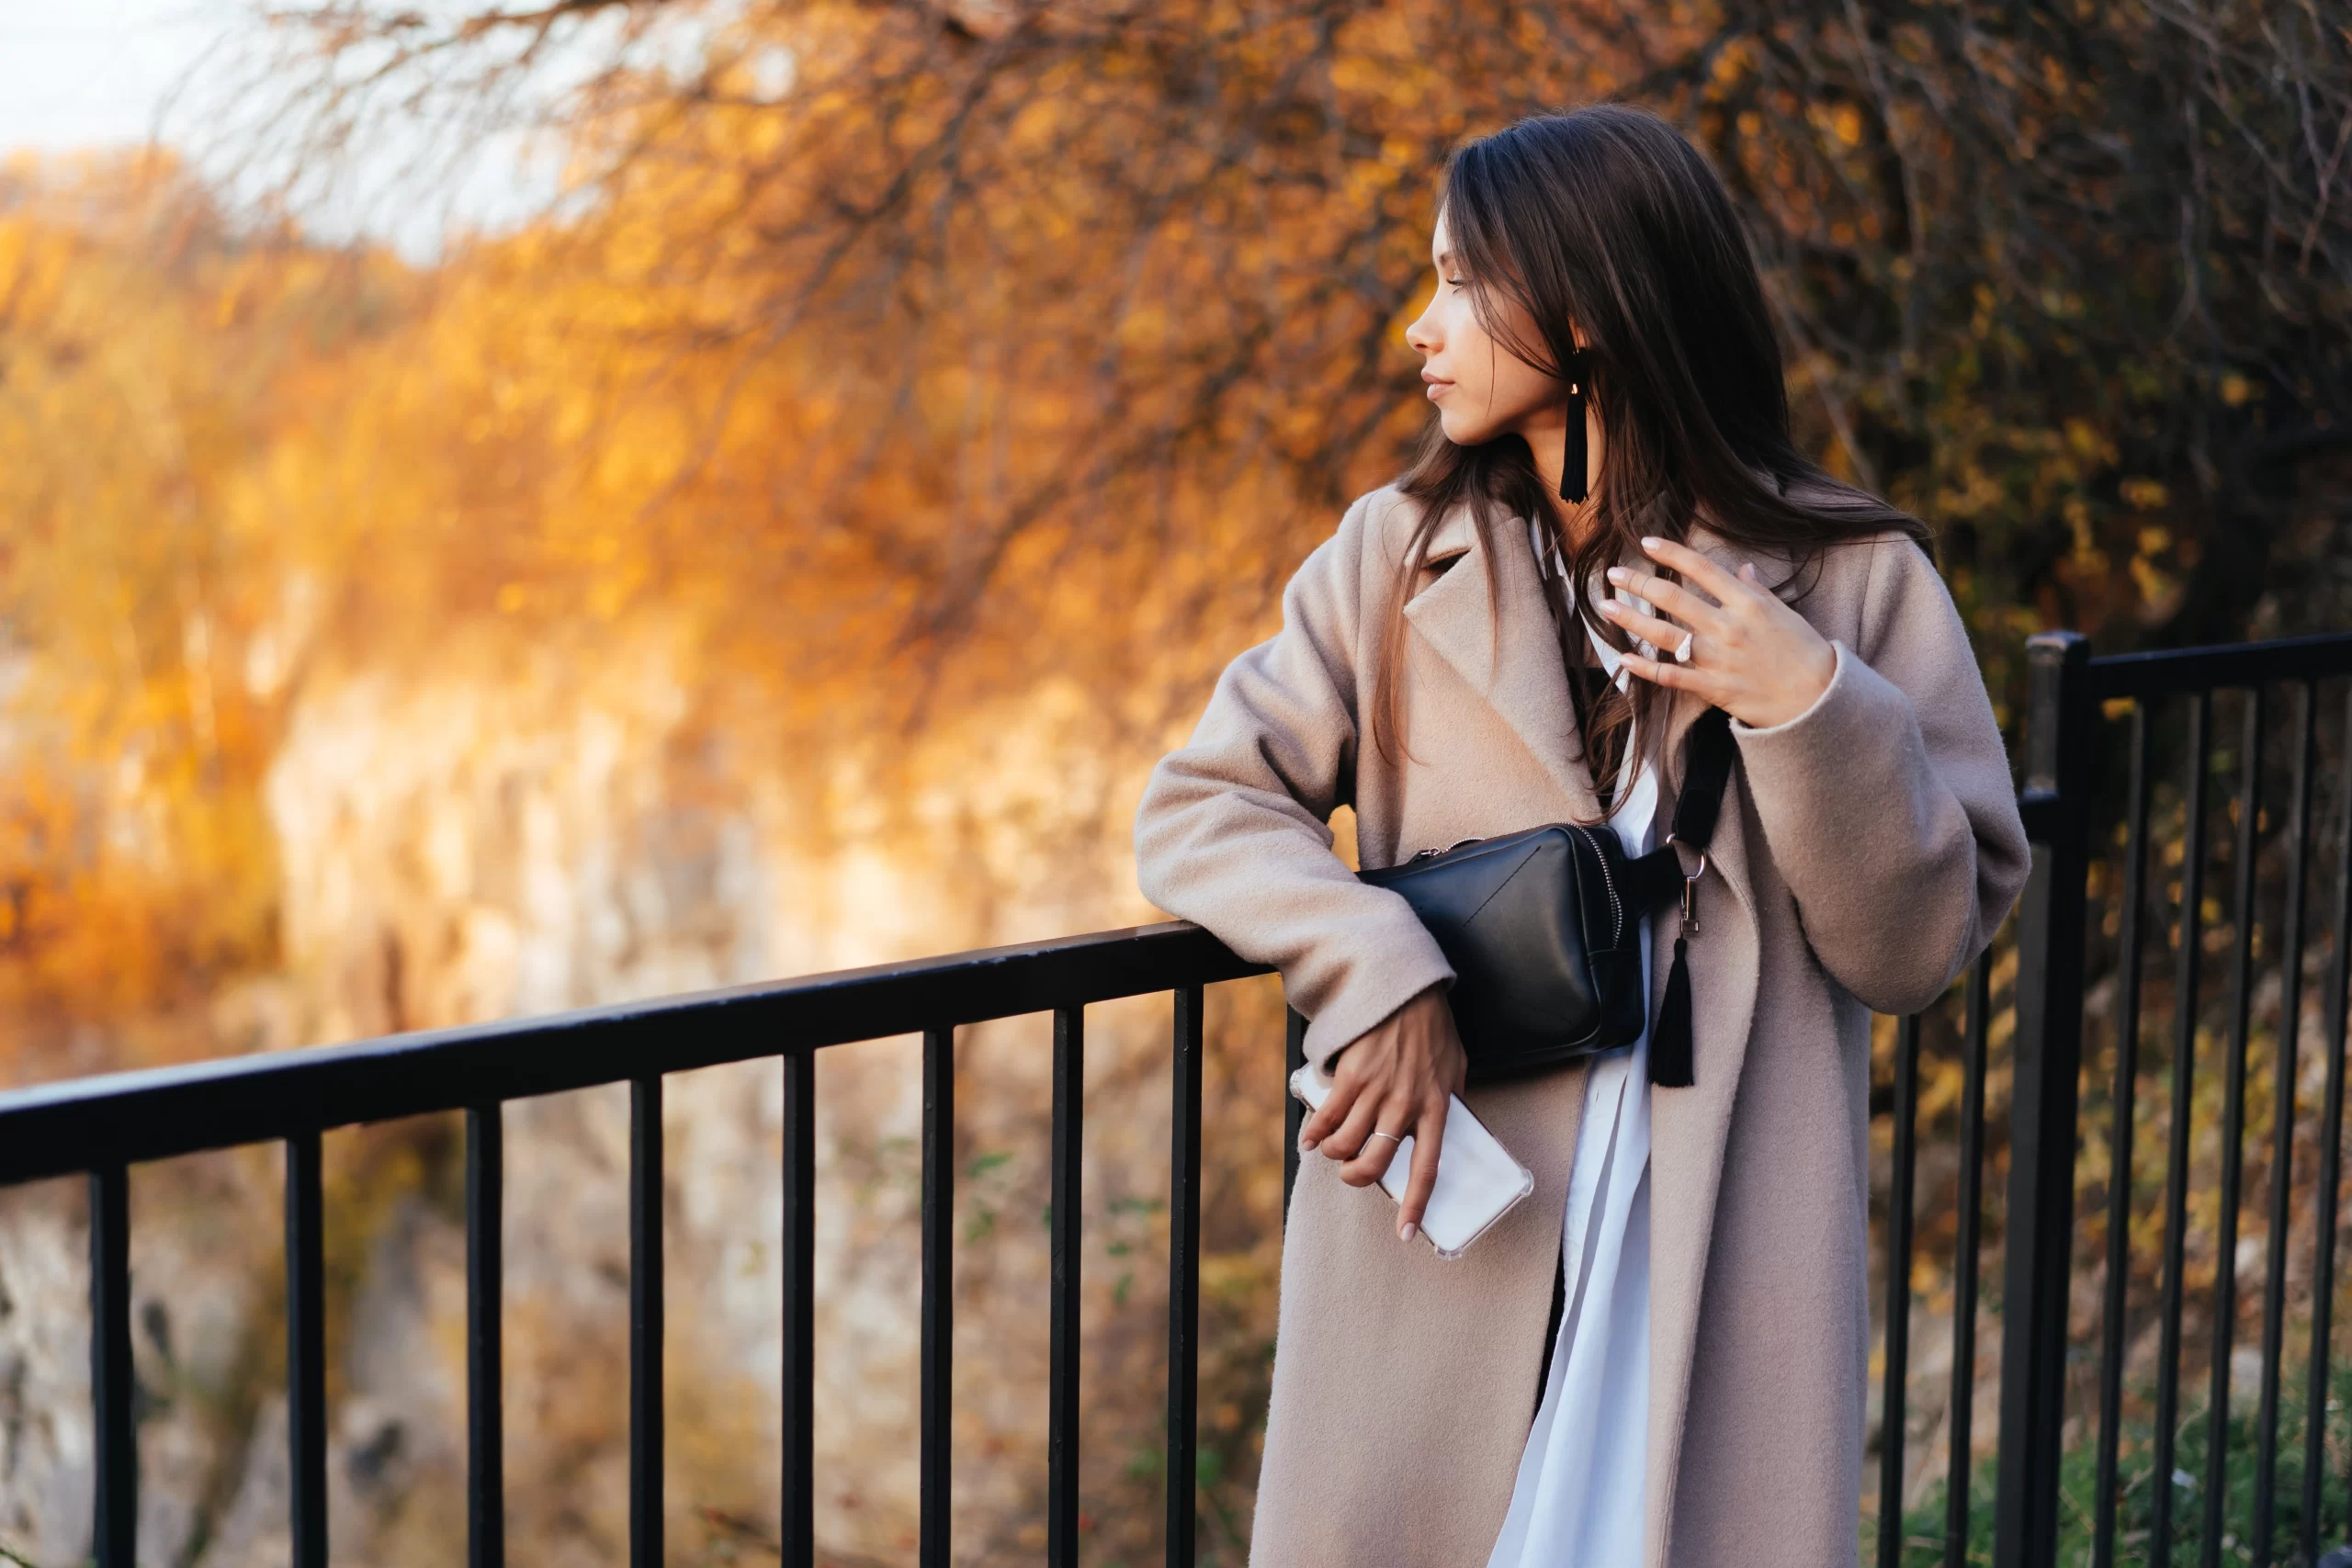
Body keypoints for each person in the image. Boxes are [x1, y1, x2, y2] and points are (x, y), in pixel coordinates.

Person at [1131, 106, 2030, 1567]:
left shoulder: (1852, 578)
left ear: (1591, 309)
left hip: (1707, 1239)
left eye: (1461, 284)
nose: (1421, 329)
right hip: (1462, 1222)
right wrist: (1382, 965)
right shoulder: (1392, 555)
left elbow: (1916, 945)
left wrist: (1806, 703)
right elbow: (1202, 803)